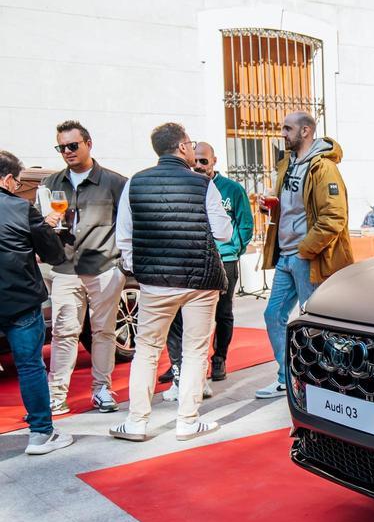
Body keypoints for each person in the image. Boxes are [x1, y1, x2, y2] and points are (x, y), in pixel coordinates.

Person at [110, 123, 232, 442]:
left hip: (155, 284)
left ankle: (137, 422)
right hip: (200, 281)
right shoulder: (203, 184)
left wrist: (142, 269)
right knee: (194, 351)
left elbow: (123, 235)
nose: (193, 150)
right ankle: (187, 421)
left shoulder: (136, 182)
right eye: (190, 144)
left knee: (147, 350)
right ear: (180, 148)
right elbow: (224, 233)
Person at [256, 111, 354, 399]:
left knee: (313, 323)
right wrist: (268, 206)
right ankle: (287, 377)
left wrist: (304, 249)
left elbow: (334, 217)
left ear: (307, 131)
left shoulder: (323, 168)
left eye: (288, 129)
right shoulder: (287, 163)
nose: (282, 134)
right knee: (273, 315)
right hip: (286, 255)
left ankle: (323, 382)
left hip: (307, 256)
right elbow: (289, 206)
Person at [42, 120, 128, 414]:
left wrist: (123, 264)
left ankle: (102, 390)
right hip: (65, 267)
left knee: (103, 332)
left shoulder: (115, 183)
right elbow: (41, 225)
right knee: (63, 332)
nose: (67, 151)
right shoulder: (51, 183)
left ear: (88, 143)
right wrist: (48, 224)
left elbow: (128, 226)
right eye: (61, 147)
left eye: (72, 145)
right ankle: (56, 395)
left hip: (104, 267)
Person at [159, 141, 253, 400]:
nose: (199, 166)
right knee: (181, 316)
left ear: (214, 161)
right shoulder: (187, 185)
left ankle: (219, 357)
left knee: (223, 312)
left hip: (224, 259)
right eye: (196, 161)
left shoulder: (231, 189)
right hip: (192, 260)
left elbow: (245, 224)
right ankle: (180, 366)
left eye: (204, 161)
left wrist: (233, 250)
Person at [0, 150, 74, 455]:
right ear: (7, 179)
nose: (18, 186)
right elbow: (55, 254)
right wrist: (46, 227)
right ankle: (41, 433)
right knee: (29, 365)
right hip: (19, 299)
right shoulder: (21, 208)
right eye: (17, 181)